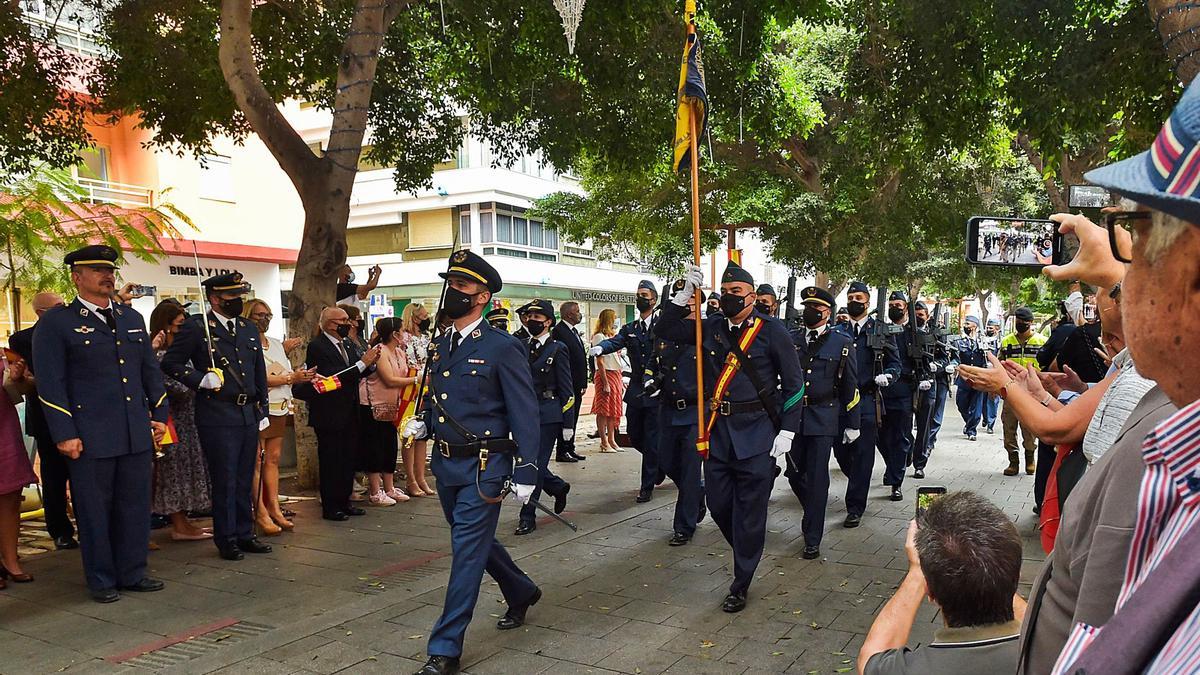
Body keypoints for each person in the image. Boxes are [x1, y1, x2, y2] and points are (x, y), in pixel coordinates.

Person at [402, 250, 541, 675]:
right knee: (474, 541)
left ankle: (445, 648)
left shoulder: (503, 346)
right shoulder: (443, 342)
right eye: (451, 285)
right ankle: (520, 589)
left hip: (486, 467)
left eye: (462, 287)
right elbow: (441, 398)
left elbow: (524, 410)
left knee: (465, 554)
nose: (453, 293)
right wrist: (423, 422)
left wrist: (527, 469)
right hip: (447, 467)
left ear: (482, 297)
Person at [655, 260, 803, 613]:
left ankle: (741, 581)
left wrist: (787, 430)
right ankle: (748, 546)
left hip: (756, 432)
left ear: (752, 295)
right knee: (720, 503)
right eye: (725, 292)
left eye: (736, 292)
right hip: (719, 431)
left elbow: (795, 384)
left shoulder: (773, 331)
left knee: (751, 510)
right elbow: (666, 330)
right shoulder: (714, 328)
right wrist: (683, 296)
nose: (729, 297)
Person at [33, 245, 169, 603]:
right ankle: (102, 578)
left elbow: (148, 371)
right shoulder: (57, 322)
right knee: (94, 509)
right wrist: (65, 433)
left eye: (109, 269)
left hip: (133, 430)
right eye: (96, 270)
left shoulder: (131, 318)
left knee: (135, 505)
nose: (107, 276)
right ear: (77, 277)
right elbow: (50, 383)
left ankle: (132, 571)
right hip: (90, 434)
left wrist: (159, 414)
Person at [161, 273, 272, 561]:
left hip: (246, 410)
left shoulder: (247, 328)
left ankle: (246, 533)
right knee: (225, 478)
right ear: (215, 299)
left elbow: (257, 369)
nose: (237, 302)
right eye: (231, 298)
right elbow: (171, 363)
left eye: (239, 297)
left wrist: (262, 406)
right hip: (217, 412)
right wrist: (199, 379)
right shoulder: (199, 328)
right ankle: (227, 538)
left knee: (244, 476)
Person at [859, 492, 1026, 674]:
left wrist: (917, 572)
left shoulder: (909, 670)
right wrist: (998, 570)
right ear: (1016, 575)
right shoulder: (1053, 656)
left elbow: (870, 659)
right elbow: (1037, 625)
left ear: (931, 592)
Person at [786, 285, 859, 559]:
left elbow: (850, 384)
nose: (808, 311)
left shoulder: (841, 342)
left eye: (814, 307)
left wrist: (853, 423)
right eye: (806, 306)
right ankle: (814, 508)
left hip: (823, 417)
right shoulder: (791, 339)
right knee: (793, 473)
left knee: (817, 478)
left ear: (827, 312)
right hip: (794, 418)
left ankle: (812, 536)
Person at [292, 306, 382, 521]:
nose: (349, 324)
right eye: (344, 320)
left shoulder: (348, 344)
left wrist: (371, 364)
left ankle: (345, 501)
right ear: (331, 324)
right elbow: (335, 378)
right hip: (329, 413)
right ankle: (331, 506)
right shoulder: (318, 347)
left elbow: (356, 372)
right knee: (331, 460)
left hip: (350, 411)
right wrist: (363, 363)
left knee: (347, 459)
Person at [8, 291, 76, 550]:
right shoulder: (23, 339)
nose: (64, 309)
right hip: (46, 417)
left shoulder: (75, 332)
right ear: (40, 313)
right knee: (54, 474)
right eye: (58, 307)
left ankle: (89, 523)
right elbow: (32, 375)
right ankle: (59, 529)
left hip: (80, 412)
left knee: (85, 475)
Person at [646, 280, 707, 546]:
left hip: (696, 411)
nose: (685, 306)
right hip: (668, 409)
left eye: (690, 301)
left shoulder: (706, 330)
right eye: (682, 301)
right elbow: (660, 330)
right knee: (668, 462)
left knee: (691, 469)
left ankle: (684, 526)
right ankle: (698, 495)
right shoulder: (669, 332)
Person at [590, 280, 661, 503]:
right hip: (637, 390)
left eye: (644, 295)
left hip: (657, 390)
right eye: (638, 294)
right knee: (635, 434)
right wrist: (601, 347)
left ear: (654, 300)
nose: (640, 298)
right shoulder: (631, 328)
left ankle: (647, 486)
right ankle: (658, 463)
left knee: (651, 439)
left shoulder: (662, 326)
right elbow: (617, 342)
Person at [836, 282, 900, 528]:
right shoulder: (838, 330)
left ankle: (855, 506)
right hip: (840, 401)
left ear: (867, 302)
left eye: (858, 297)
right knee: (840, 452)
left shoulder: (881, 331)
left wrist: (889, 377)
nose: (854, 301)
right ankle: (858, 482)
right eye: (850, 297)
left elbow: (895, 363)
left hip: (866, 399)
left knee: (863, 454)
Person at [148, 301, 213, 542]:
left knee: (188, 472)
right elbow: (177, 388)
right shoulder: (159, 356)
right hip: (172, 423)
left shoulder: (182, 353)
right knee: (173, 473)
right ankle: (178, 522)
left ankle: (184, 520)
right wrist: (201, 383)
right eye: (179, 324)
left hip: (190, 420)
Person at [245, 298, 308, 533]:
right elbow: (256, 377)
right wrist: (289, 379)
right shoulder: (245, 343)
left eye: (268, 315)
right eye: (259, 315)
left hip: (280, 404)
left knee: (273, 458)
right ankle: (259, 510)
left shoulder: (275, 344)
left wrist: (295, 376)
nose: (264, 319)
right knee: (257, 461)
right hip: (260, 406)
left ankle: (274, 508)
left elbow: (285, 371)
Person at [513, 300, 572, 535]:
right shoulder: (520, 345)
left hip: (548, 413)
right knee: (524, 461)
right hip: (524, 412)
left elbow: (567, 388)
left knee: (534, 464)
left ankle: (527, 515)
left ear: (548, 322)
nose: (532, 321)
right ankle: (558, 487)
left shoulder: (558, 348)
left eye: (538, 318)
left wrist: (568, 424)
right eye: (529, 317)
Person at [877, 291, 931, 502]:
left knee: (900, 436)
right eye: (891, 304)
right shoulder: (881, 329)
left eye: (898, 304)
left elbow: (924, 355)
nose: (894, 308)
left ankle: (895, 481)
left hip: (904, 390)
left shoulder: (914, 332)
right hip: (880, 391)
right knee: (881, 437)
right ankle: (896, 462)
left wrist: (926, 376)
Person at [360, 317, 418, 506]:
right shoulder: (379, 352)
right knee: (374, 448)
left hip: (393, 407)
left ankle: (390, 487)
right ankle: (376, 491)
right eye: (402, 330)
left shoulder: (400, 353)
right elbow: (390, 379)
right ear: (394, 334)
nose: (405, 334)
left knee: (389, 447)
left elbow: (404, 375)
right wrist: (416, 380)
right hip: (372, 404)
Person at [0, 355, 38, 587]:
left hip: (4, 430)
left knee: (11, 499)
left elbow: (19, 393)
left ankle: (11, 561)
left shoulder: (4, 357)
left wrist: (16, 379)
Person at [998, 307, 1046, 476]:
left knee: (1029, 428)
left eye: (1023, 321)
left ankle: (1030, 458)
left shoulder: (1042, 342)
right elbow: (999, 365)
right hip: (1010, 391)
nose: (1020, 324)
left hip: (1032, 393)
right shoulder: (1006, 342)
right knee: (1008, 427)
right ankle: (1013, 461)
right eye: (1017, 321)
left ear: (1031, 323)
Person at [911, 302, 957, 479]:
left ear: (927, 315)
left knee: (926, 425)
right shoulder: (904, 332)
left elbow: (945, 359)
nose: (918, 318)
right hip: (910, 382)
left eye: (921, 315)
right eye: (915, 314)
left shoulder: (935, 333)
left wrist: (935, 366)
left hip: (930, 383)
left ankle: (920, 463)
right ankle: (908, 451)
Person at [399, 302, 435, 496]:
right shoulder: (404, 338)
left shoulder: (427, 337)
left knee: (422, 434)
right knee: (409, 434)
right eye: (423, 315)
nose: (426, 318)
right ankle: (411, 479)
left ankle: (421, 478)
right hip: (410, 387)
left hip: (427, 387)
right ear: (413, 317)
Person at [552, 301, 588, 463]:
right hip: (567, 383)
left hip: (577, 383)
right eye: (577, 311)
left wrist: (583, 383)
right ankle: (562, 450)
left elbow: (580, 358)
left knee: (573, 418)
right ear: (569, 315)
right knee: (567, 417)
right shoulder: (560, 331)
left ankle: (570, 447)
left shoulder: (573, 331)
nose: (580, 314)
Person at [589, 309, 624, 453]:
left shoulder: (612, 336)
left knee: (613, 411)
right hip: (605, 374)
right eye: (614, 318)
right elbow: (600, 362)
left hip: (615, 373)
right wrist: (605, 382)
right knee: (603, 410)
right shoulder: (598, 337)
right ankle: (604, 441)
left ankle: (612, 439)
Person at [954, 316, 987, 441]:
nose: (965, 326)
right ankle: (969, 423)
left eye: (968, 324)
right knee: (961, 403)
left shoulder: (982, 341)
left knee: (976, 406)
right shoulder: (959, 341)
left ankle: (972, 430)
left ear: (975, 326)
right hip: (963, 378)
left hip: (978, 378)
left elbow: (987, 359)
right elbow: (956, 357)